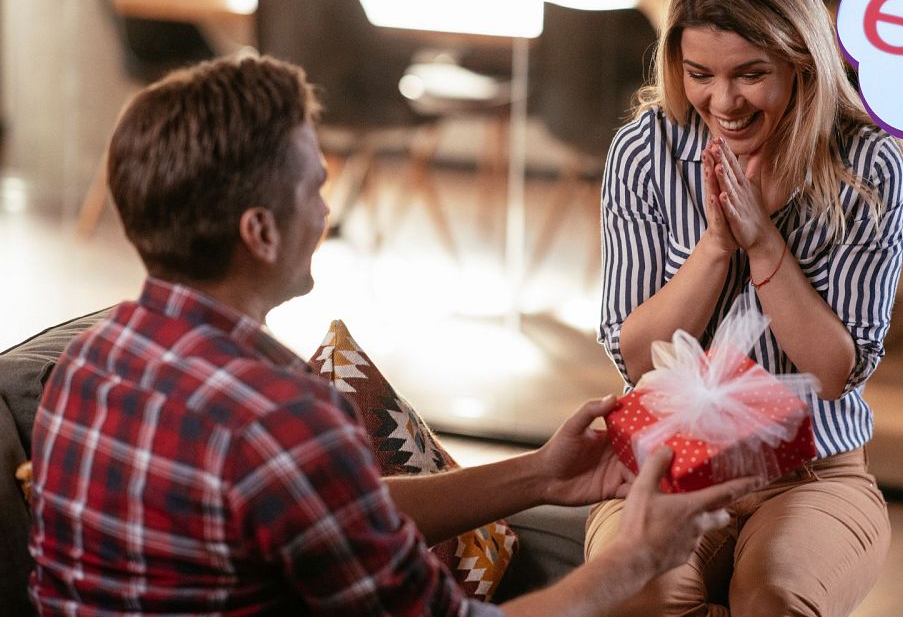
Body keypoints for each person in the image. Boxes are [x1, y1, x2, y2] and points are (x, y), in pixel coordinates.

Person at [27, 54, 761, 616]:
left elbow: (332, 509)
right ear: (258, 230)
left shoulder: (88, 364)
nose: (325, 207)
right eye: (314, 186)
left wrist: (540, 474)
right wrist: (631, 559)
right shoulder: (283, 419)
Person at [588, 0, 903, 614]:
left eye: (750, 74)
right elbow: (634, 356)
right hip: (668, 461)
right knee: (638, 595)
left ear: (800, 63)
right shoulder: (646, 149)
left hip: (810, 475)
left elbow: (834, 369)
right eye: (699, 73)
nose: (724, 100)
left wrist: (764, 241)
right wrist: (718, 244)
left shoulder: (867, 165)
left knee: (772, 598)